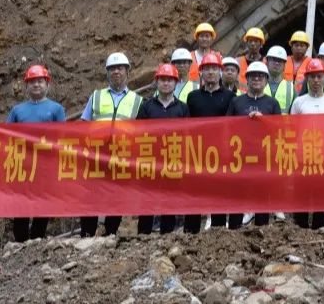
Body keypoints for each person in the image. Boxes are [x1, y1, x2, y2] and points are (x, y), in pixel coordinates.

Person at [79, 52, 144, 237]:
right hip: (97, 153)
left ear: (127, 72)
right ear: (107, 73)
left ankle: (110, 233)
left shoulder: (137, 100)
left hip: (122, 154)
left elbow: (143, 131)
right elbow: (84, 124)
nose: (116, 72)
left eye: (120, 68)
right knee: (91, 194)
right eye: (112, 69)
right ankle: (87, 233)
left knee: (117, 195)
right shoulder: (96, 96)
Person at [7, 64, 65, 243]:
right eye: (32, 82)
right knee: (21, 203)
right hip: (22, 164)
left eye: (40, 81)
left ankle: (38, 237)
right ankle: (21, 240)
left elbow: (62, 137)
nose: (36, 85)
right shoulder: (17, 110)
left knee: (43, 201)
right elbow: (6, 135)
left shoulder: (56, 109)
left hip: (45, 165)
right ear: (27, 86)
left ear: (47, 84)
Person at [227, 61, 282, 229]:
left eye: (260, 76)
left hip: (263, 159)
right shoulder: (237, 102)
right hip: (240, 158)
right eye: (253, 76)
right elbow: (227, 127)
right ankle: (234, 230)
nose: (257, 79)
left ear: (266, 80)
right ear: (247, 80)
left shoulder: (272, 104)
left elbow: (279, 130)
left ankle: (261, 229)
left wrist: (264, 120)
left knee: (262, 197)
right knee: (237, 195)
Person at [184, 53, 235, 233]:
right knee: (195, 194)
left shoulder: (230, 97)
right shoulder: (193, 97)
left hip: (220, 153)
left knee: (218, 194)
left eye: (214, 69)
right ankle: (191, 233)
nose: (211, 73)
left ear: (220, 72)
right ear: (201, 73)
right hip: (197, 152)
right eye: (207, 69)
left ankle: (217, 232)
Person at [137, 64, 190, 235]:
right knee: (147, 199)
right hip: (150, 160)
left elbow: (189, 134)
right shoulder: (147, 107)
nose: (166, 83)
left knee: (170, 199)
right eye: (162, 80)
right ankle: (143, 235)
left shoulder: (182, 108)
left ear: (175, 83)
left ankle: (167, 234)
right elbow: (138, 133)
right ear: (157, 82)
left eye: (169, 80)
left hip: (173, 160)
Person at [290, 59, 324, 230]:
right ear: (307, 79)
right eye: (312, 77)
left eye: (319, 77)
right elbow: (292, 131)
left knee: (322, 196)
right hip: (303, 157)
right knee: (301, 196)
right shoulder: (299, 103)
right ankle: (300, 228)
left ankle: (319, 227)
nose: (316, 81)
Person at [264, 45, 296, 112]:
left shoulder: (290, 88)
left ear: (284, 65)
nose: (276, 63)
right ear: (267, 62)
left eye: (280, 61)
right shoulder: (257, 84)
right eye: (274, 59)